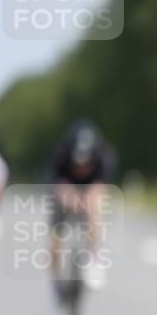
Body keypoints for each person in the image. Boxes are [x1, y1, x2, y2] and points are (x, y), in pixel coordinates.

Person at [49, 119, 117, 294]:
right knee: (55, 238)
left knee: (94, 207)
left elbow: (101, 186)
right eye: (77, 164)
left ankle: (93, 257)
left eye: (86, 165)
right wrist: (67, 195)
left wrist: (90, 198)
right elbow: (57, 184)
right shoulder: (61, 155)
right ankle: (56, 283)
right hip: (66, 188)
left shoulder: (104, 156)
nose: (81, 168)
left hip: (89, 189)